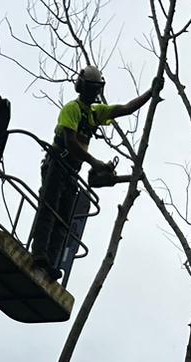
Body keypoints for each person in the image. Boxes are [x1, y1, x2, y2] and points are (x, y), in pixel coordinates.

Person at [29, 64, 158, 279]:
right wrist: (94, 162)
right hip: (56, 164)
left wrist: (150, 93)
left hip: (71, 172)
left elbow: (126, 108)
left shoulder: (94, 113)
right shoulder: (72, 109)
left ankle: (51, 262)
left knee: (64, 218)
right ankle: (39, 255)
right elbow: (70, 142)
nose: (93, 93)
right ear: (83, 87)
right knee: (49, 208)